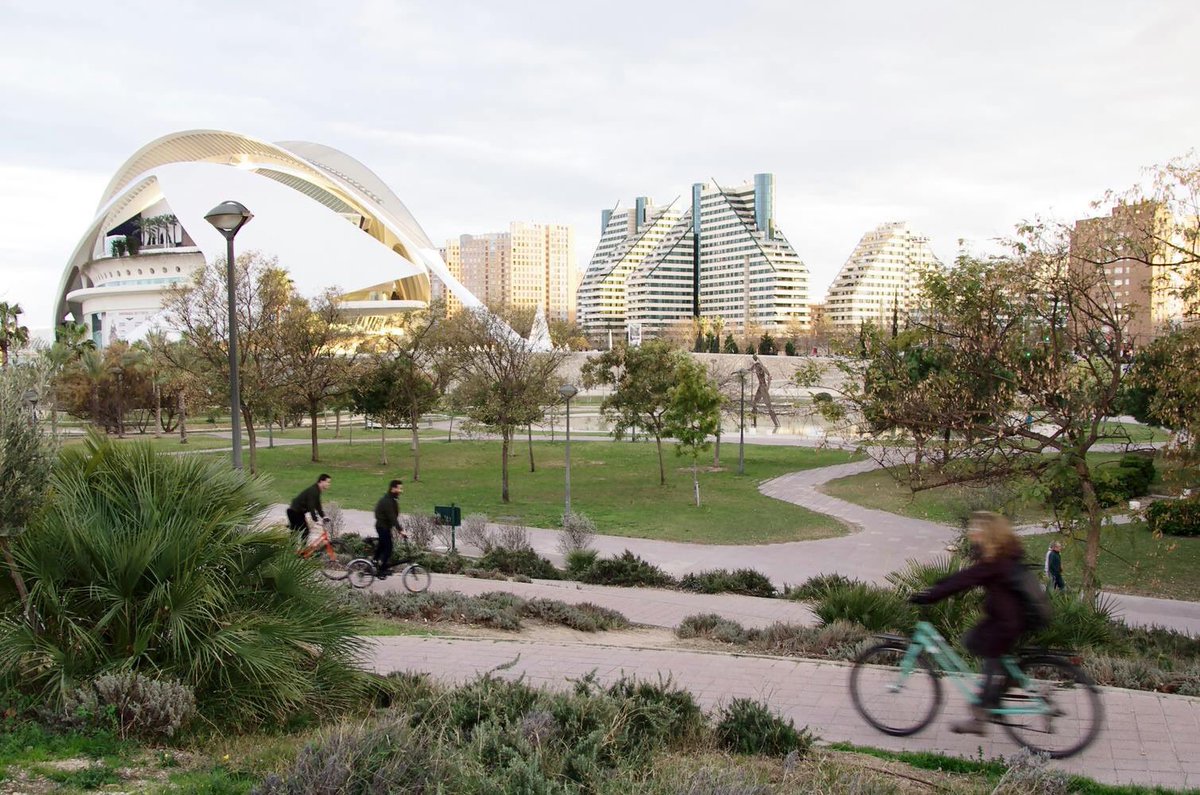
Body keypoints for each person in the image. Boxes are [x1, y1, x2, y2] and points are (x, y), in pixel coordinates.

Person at [910, 511, 1028, 735]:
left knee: (975, 641)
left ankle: (981, 714)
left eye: (976, 530)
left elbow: (966, 579)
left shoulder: (994, 561)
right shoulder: (1004, 553)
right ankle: (1006, 680)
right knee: (986, 649)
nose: (971, 534)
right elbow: (966, 576)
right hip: (1011, 619)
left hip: (1006, 622)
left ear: (988, 534)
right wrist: (940, 585)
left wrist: (930, 595)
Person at [373, 479, 405, 578]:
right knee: (388, 548)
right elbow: (392, 517)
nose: (401, 491)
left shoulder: (391, 499)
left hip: (384, 527)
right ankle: (382, 569)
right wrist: (401, 530)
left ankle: (373, 563)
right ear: (393, 489)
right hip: (383, 527)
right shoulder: (387, 501)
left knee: (382, 546)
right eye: (399, 489)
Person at [287, 474, 331, 545]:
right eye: (328, 482)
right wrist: (315, 520)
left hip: (298, 512)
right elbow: (311, 506)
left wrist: (323, 516)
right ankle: (301, 552)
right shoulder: (314, 491)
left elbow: (318, 505)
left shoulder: (316, 490)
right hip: (294, 512)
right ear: (321, 481)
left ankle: (296, 551)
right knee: (304, 531)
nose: (329, 484)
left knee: (298, 532)